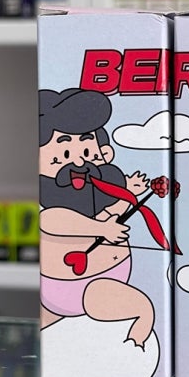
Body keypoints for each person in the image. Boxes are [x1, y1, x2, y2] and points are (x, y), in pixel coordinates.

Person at [39, 88, 155, 347]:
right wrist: (101, 229)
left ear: (105, 153)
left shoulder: (100, 196)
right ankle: (136, 345)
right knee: (143, 309)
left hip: (100, 279)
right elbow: (52, 220)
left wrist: (128, 195)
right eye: (64, 155)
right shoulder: (54, 207)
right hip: (83, 286)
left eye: (87, 152)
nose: (79, 163)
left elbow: (112, 215)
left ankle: (135, 350)